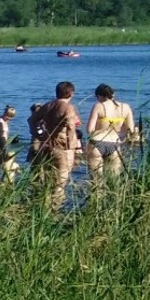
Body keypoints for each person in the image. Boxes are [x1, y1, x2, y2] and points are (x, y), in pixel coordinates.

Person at [35, 81, 83, 209]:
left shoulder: (48, 105)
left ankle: (43, 207)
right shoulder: (68, 108)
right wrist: (73, 147)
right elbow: (71, 127)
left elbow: (32, 120)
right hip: (61, 147)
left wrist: (37, 134)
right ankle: (55, 210)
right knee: (60, 183)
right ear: (71, 93)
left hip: (45, 146)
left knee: (47, 180)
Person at [86, 83, 137, 183]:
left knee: (96, 181)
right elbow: (130, 130)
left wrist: (101, 129)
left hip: (97, 143)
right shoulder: (125, 107)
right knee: (113, 181)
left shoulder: (98, 106)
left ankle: (96, 198)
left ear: (99, 96)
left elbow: (89, 130)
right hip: (114, 145)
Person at [0, 104, 19, 183]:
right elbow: (1, 137)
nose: (10, 119)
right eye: (9, 116)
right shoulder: (0, 123)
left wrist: (12, 141)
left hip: (0, 146)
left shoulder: (4, 122)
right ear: (5, 114)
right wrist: (6, 149)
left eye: (11, 117)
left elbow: (4, 136)